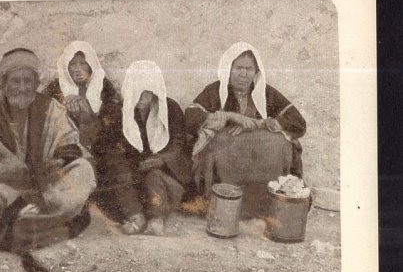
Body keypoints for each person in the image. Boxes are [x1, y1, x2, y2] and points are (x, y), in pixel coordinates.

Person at [0, 48, 96, 252]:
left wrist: (58, 162)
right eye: (16, 81)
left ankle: (24, 223)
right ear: (4, 83)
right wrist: (2, 171)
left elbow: (70, 146)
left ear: (36, 84)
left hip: (46, 191)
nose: (22, 87)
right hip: (7, 192)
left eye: (28, 81)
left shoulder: (51, 108)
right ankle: (45, 223)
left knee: (83, 169)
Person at [185, 42, 306, 196]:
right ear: (228, 70)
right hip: (226, 161)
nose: (243, 74)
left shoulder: (265, 93)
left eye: (249, 69)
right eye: (238, 68)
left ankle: (267, 197)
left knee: (279, 142)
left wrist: (262, 124)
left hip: (258, 159)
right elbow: (190, 116)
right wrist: (231, 116)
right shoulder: (215, 90)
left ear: (256, 72)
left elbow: (298, 122)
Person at [45, 41, 133, 220]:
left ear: (91, 64)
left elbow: (114, 121)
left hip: (99, 145)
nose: (77, 69)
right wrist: (65, 112)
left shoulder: (104, 87)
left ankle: (131, 213)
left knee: (115, 162)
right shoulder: (56, 88)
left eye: (82, 63)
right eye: (72, 64)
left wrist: (89, 115)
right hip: (66, 147)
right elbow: (45, 117)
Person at [117, 61, 192, 236]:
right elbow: (116, 146)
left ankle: (156, 219)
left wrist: (160, 160)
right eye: (137, 93)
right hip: (134, 171)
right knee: (122, 178)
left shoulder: (170, 109)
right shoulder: (122, 112)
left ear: (154, 90)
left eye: (146, 93)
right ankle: (136, 217)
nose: (141, 98)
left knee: (154, 178)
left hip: (162, 173)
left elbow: (178, 144)